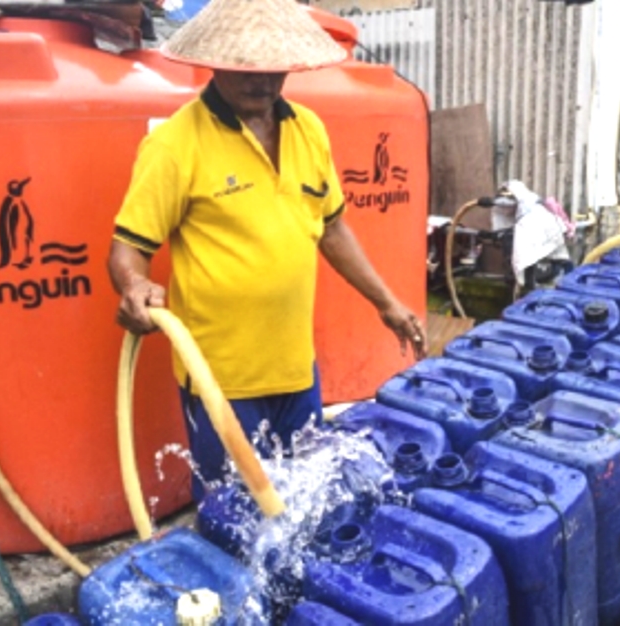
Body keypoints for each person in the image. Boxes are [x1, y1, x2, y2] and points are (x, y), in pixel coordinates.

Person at [107, 0, 427, 500]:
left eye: (274, 69)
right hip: (222, 381)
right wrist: (134, 285)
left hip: (297, 369)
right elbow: (128, 247)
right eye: (247, 70)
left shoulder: (308, 129)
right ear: (216, 62)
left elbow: (333, 227)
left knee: (303, 505)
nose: (263, 81)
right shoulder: (176, 144)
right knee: (231, 513)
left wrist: (386, 302)